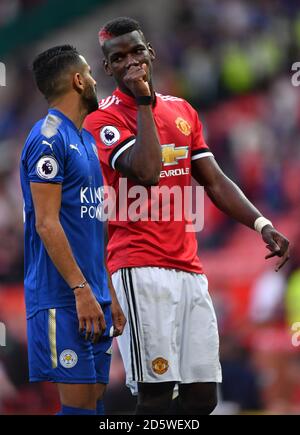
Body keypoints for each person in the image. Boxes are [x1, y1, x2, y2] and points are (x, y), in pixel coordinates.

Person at [84, 17, 290, 415]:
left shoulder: (182, 110)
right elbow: (146, 171)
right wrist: (144, 101)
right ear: (107, 68)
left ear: (151, 53)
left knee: (203, 395)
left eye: (136, 51)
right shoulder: (101, 120)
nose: (131, 62)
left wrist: (260, 223)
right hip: (138, 268)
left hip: (189, 268)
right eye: (119, 57)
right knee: (156, 394)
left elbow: (213, 180)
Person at [20, 45, 126, 416]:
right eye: (91, 74)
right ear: (78, 80)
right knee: (79, 408)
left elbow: (92, 224)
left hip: (93, 295)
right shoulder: (48, 137)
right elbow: (46, 222)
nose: (97, 81)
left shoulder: (85, 139)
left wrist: (106, 291)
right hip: (62, 297)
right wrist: (81, 291)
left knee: (94, 403)